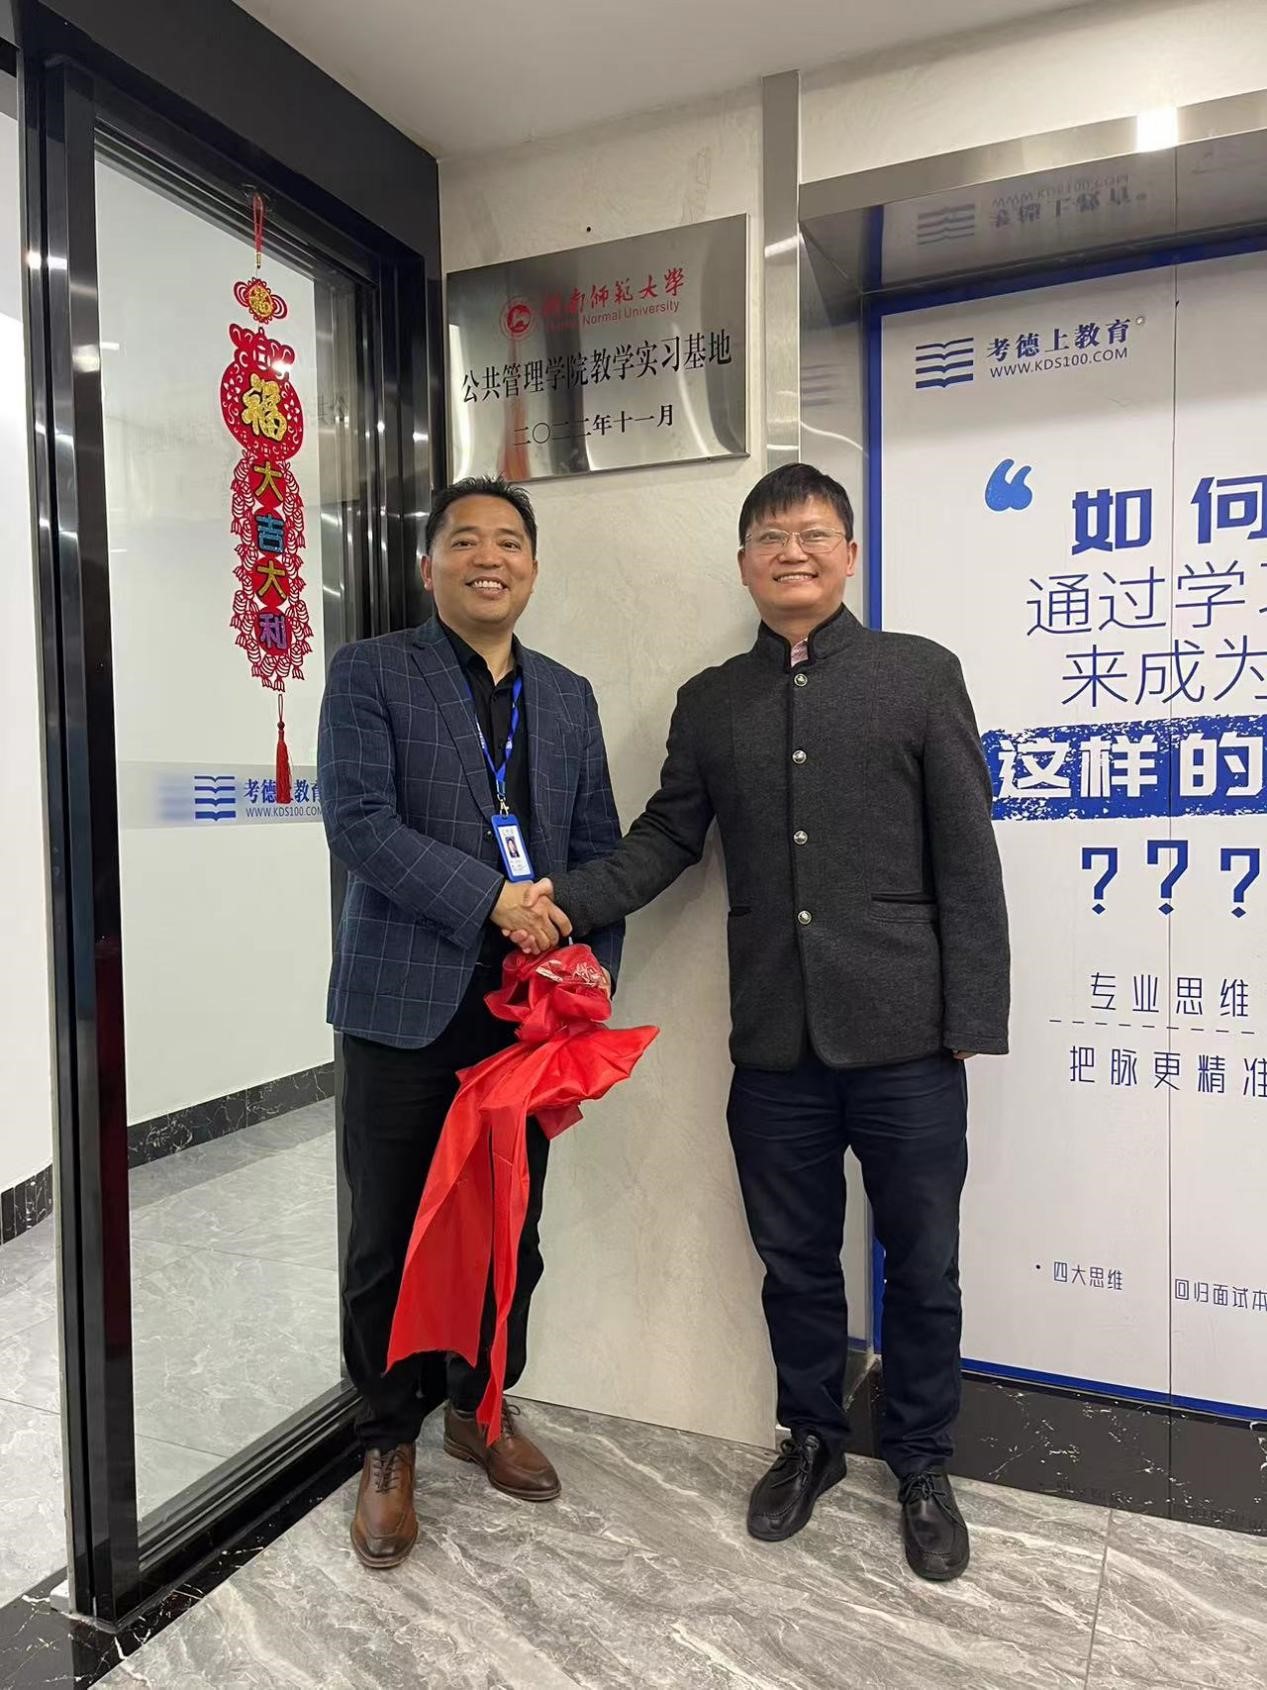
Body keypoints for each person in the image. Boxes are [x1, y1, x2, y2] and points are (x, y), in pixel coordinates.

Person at [514, 462, 1009, 1582]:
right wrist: (564, 904)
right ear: (742, 564)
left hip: (908, 1035)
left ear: (849, 555)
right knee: (793, 1262)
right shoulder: (711, 700)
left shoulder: (919, 675)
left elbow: (968, 855)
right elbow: (664, 839)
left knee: (923, 1261)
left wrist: (972, 1014)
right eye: (771, 536)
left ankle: (922, 1460)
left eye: (814, 533)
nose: (793, 551)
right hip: (775, 1040)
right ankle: (811, 1437)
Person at [317, 474, 621, 1570]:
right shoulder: (371, 672)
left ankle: (480, 1406)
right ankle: (385, 1440)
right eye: (464, 541)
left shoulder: (568, 695)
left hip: (524, 1018)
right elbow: (358, 822)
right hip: (404, 1005)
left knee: (508, 1228)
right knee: (388, 1233)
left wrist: (585, 981)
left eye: (508, 542)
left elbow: (597, 850)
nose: (487, 558)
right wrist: (491, 899)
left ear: (532, 567)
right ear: (430, 564)